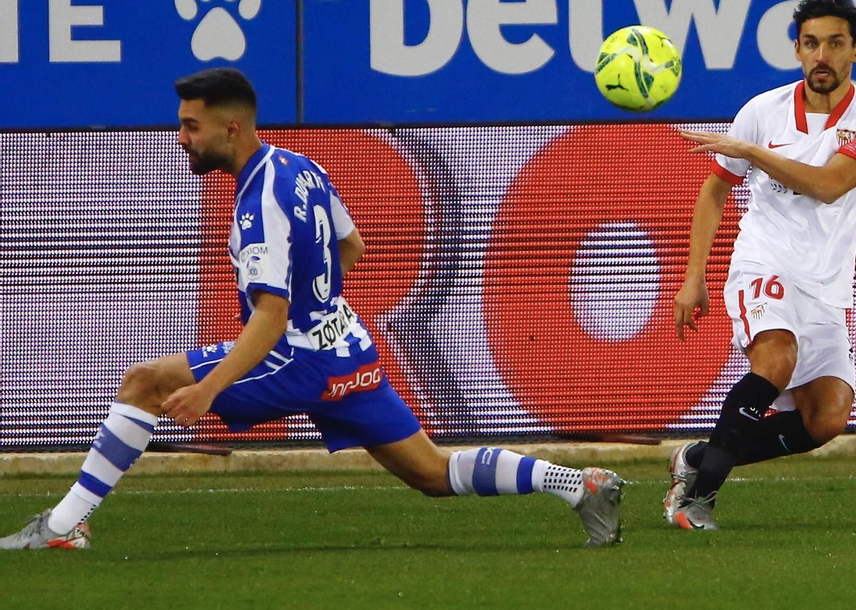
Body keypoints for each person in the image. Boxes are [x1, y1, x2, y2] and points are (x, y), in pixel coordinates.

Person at [2, 69, 623, 551]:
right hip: (344, 349)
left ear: (231, 129)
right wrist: (320, 309)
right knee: (430, 472)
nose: (181, 135)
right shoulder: (301, 168)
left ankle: (62, 525)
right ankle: (576, 484)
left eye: (191, 126)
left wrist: (211, 388)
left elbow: (269, 318)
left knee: (146, 383)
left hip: (296, 358)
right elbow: (353, 245)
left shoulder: (258, 207)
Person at [667, 0, 856, 531]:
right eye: (811, 43)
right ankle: (695, 498)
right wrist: (694, 277)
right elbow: (714, 191)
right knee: (776, 359)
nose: (822, 55)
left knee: (825, 419)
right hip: (763, 262)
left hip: (825, 283)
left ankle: (698, 459)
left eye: (835, 44)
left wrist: (751, 153)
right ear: (797, 49)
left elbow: (828, 185)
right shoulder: (762, 110)